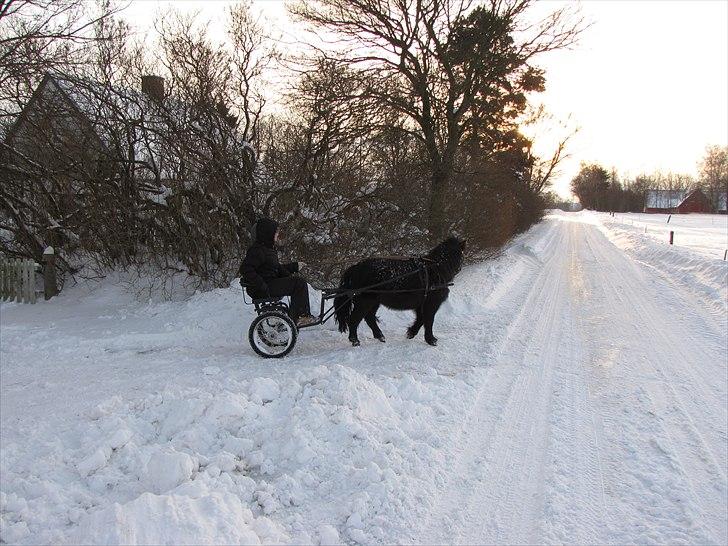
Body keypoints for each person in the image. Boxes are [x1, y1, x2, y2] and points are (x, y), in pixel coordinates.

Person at [239, 217, 317, 327]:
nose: (277, 234)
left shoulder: (268, 249)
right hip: (263, 287)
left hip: (269, 282)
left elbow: (276, 268)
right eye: (275, 232)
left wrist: (294, 266)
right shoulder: (257, 250)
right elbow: (245, 269)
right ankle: (301, 316)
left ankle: (297, 316)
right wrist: (261, 284)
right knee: (298, 283)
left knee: (297, 282)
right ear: (267, 233)